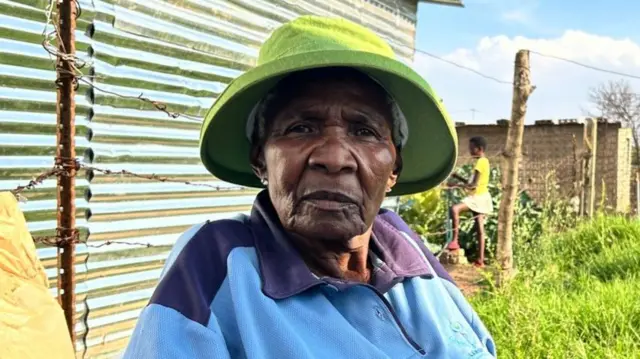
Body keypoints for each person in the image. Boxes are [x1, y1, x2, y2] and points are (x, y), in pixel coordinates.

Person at [123, 16, 496, 359]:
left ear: (394, 167)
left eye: (364, 131)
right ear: (260, 159)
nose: (334, 158)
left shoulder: (406, 249)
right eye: (301, 128)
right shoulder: (218, 262)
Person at [446, 136, 493, 268]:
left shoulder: (481, 162)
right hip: (481, 197)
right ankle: (480, 260)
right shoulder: (484, 162)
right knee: (480, 230)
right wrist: (458, 178)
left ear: (480, 149)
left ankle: (455, 241)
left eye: (472, 149)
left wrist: (455, 185)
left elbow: (473, 186)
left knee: (455, 209)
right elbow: (471, 182)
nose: (470, 151)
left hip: (477, 198)